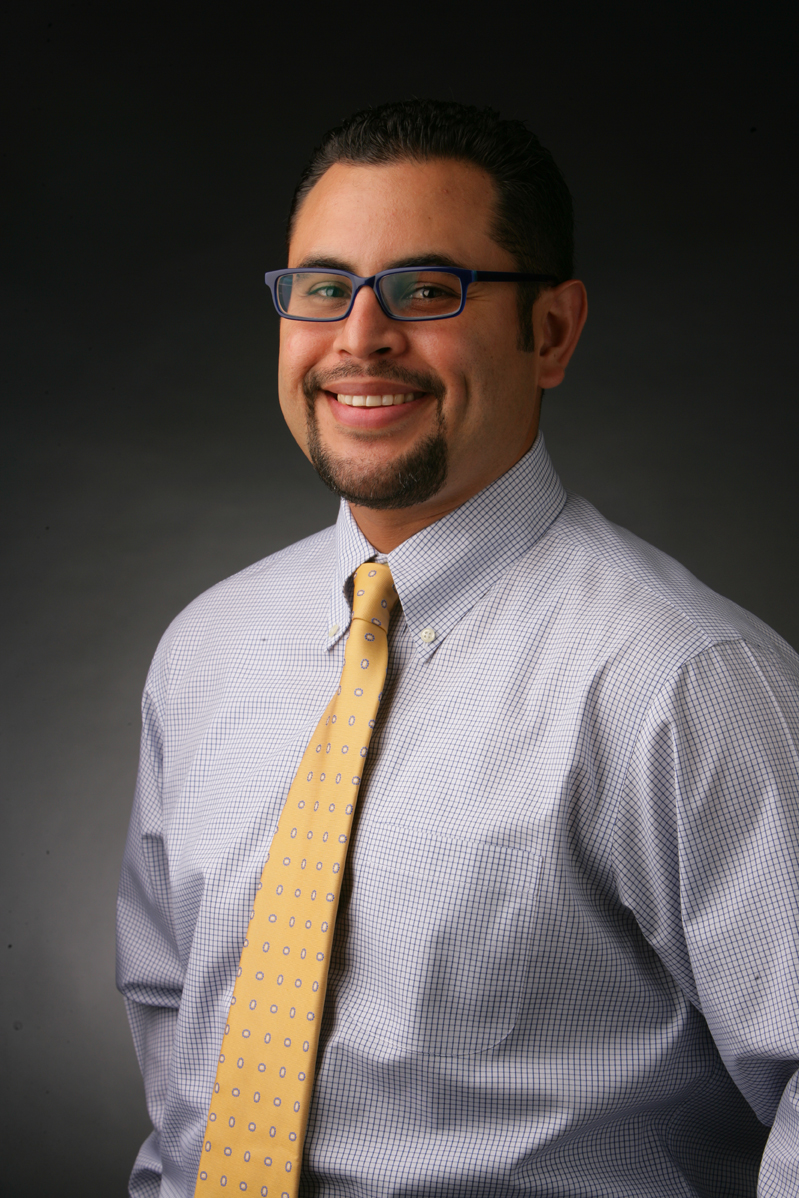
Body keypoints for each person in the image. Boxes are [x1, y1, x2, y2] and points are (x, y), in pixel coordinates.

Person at [117, 100, 799, 1198]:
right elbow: (173, 1012)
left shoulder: (682, 682)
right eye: (324, 288)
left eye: (427, 290)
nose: (360, 339)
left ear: (551, 332)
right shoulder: (207, 647)